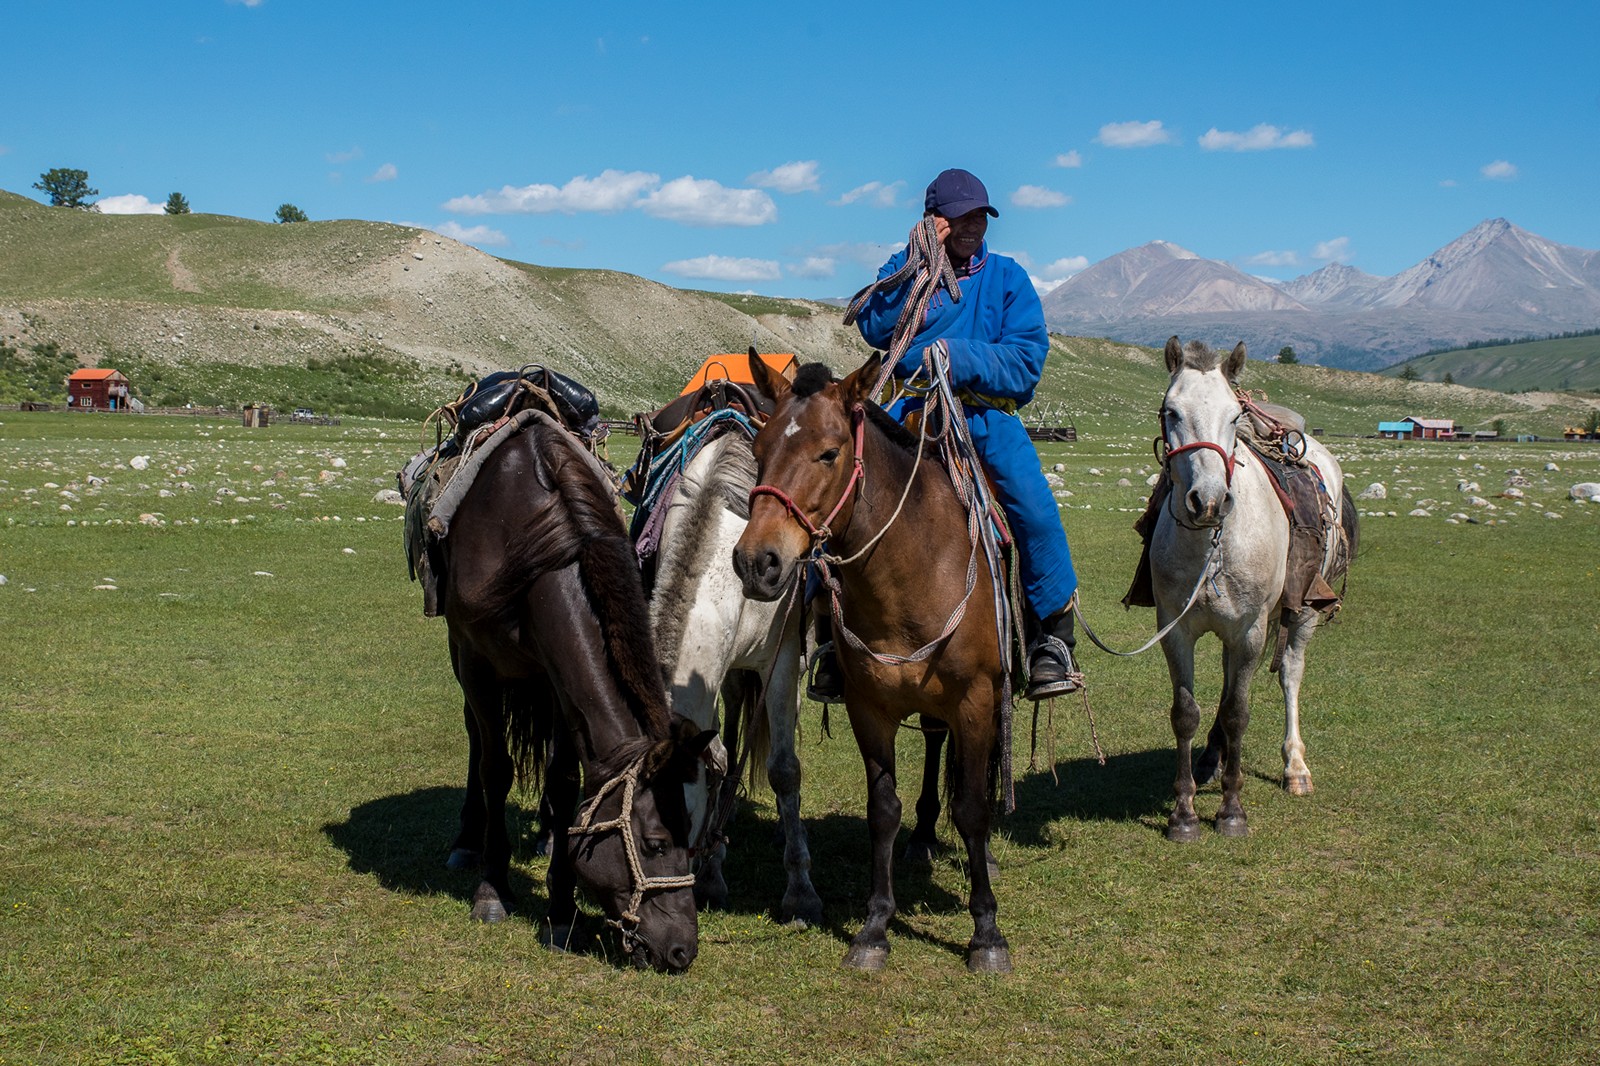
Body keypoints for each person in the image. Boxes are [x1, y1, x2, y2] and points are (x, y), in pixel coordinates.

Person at [811, 167, 1082, 702]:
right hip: (908, 414)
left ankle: (1052, 640)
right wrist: (916, 264)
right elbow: (873, 325)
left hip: (984, 418)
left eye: (980, 216)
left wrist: (956, 356)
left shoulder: (1007, 278)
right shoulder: (905, 271)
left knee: (1035, 510)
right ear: (934, 221)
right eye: (961, 217)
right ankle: (830, 641)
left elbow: (1026, 362)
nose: (972, 226)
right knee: (836, 507)